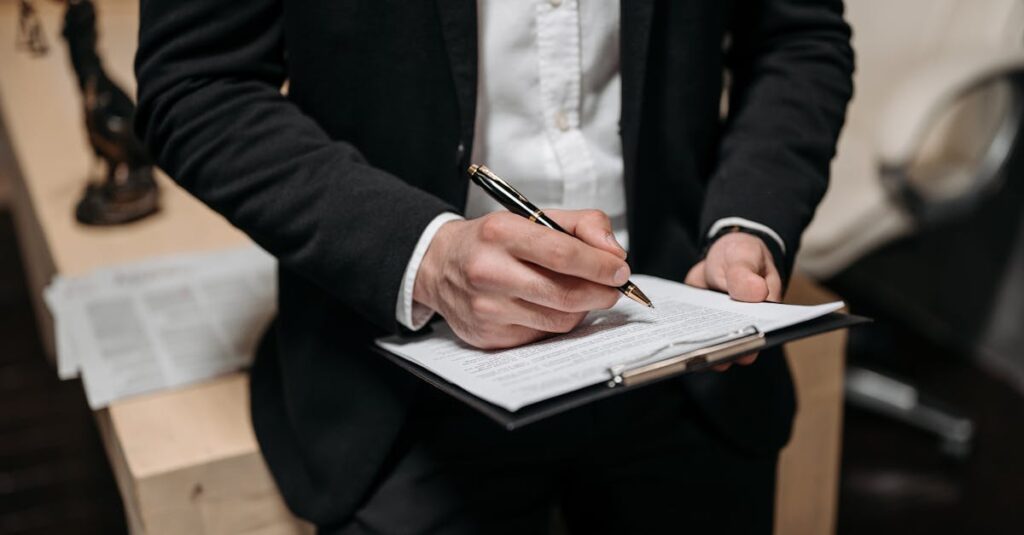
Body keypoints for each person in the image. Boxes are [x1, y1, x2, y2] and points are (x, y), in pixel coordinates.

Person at [135, 1, 853, 533]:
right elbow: (199, 83)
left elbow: (797, 37)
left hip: (683, 351)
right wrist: (423, 253)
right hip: (404, 387)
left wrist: (748, 220)